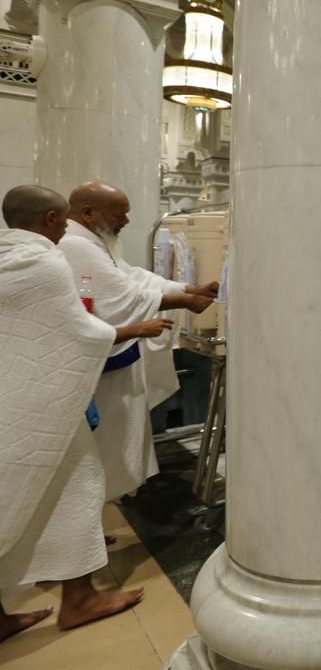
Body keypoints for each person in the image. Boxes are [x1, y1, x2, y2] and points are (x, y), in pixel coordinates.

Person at [0, 185, 173, 640]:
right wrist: (139, 328)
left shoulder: (6, 255)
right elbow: (78, 331)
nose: (67, 229)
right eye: (64, 220)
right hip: (44, 406)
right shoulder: (46, 262)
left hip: (9, 399)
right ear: (52, 220)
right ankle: (79, 599)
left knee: (9, 496)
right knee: (77, 483)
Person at [59, 181, 217, 501]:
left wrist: (188, 289)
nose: (126, 221)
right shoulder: (76, 245)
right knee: (103, 449)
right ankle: (95, 508)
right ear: (88, 213)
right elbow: (122, 298)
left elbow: (133, 277)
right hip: (101, 371)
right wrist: (184, 301)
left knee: (113, 446)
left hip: (113, 365)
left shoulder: (91, 241)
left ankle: (102, 506)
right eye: (119, 214)